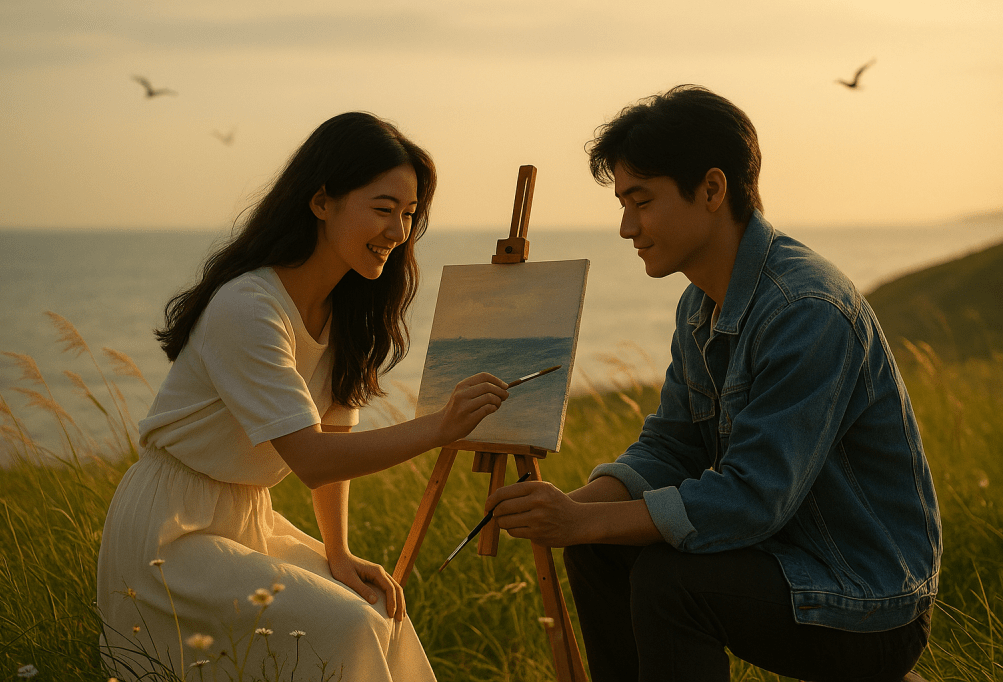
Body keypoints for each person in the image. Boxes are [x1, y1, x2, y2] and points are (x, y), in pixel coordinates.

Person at [486, 86, 941, 682]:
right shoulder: (700, 304)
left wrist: (580, 520)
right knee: (597, 549)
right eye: (622, 204)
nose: (626, 227)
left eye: (641, 201)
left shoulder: (805, 309)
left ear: (712, 190)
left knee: (668, 582)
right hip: (781, 561)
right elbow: (672, 447)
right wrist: (570, 510)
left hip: (865, 601)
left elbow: (753, 497)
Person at [97, 112, 510, 681]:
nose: (398, 231)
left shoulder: (345, 311)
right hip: (172, 533)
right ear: (321, 202)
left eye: (410, 213)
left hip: (248, 517)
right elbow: (313, 459)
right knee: (349, 626)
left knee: (378, 609)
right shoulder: (249, 307)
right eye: (383, 208)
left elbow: (335, 432)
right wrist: (439, 426)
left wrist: (338, 553)